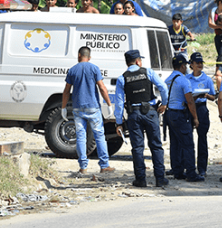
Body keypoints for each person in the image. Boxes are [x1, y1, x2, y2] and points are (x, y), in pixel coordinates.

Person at [114, 50, 169, 187]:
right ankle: (160, 178)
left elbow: (119, 104)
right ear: (138, 61)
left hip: (134, 114)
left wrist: (119, 123)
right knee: (156, 146)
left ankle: (141, 179)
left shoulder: (122, 78)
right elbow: (163, 87)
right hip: (150, 113)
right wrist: (164, 103)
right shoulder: (148, 72)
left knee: (137, 147)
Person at [61, 46, 115, 174]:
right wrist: (108, 104)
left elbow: (67, 90)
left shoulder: (73, 70)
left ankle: (83, 167)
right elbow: (102, 87)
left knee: (81, 137)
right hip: (93, 108)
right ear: (89, 57)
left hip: (78, 108)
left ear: (79, 55)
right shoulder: (94, 68)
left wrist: (63, 107)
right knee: (99, 136)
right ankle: (104, 165)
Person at [164, 54, 204, 182]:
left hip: (169, 114)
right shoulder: (183, 80)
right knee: (187, 144)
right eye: (186, 65)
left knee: (175, 143)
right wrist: (195, 118)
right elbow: (190, 101)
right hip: (180, 114)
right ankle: (191, 173)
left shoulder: (168, 79)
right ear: (182, 66)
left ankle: (177, 171)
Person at [186, 52, 216, 178]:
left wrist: (206, 95)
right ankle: (188, 166)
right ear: (191, 64)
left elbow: (213, 96)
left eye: (201, 63)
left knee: (202, 139)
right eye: (197, 63)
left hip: (202, 108)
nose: (199, 65)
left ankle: (202, 168)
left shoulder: (207, 79)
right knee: (187, 139)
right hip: (189, 108)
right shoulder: (187, 78)